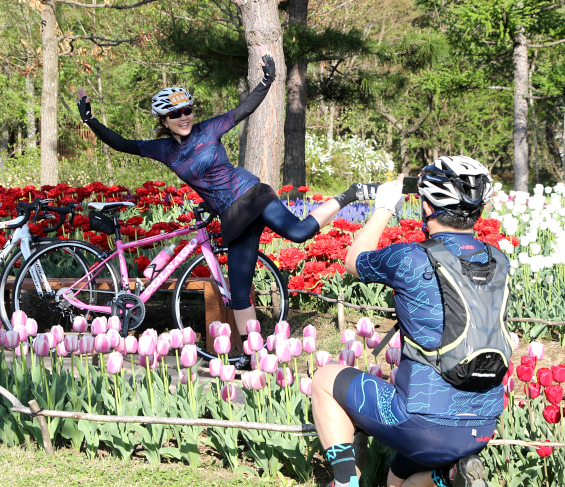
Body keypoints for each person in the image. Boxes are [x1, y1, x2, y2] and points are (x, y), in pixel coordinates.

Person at [76, 45, 377, 368]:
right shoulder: (162, 149)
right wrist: (90, 119)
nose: (184, 117)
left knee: (300, 232)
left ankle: (351, 193)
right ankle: (253, 355)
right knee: (239, 293)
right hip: (231, 217)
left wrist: (267, 79)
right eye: (175, 114)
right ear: (164, 120)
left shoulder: (210, 129)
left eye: (187, 110)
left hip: (252, 197)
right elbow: (122, 144)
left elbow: (244, 109)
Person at [311, 156, 509, 487]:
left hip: (421, 420)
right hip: (483, 424)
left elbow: (353, 261)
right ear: (478, 208)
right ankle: (445, 476)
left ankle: (346, 482)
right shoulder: (500, 261)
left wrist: (384, 209)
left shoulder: (410, 257)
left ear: (427, 206)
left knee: (324, 378)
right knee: (395, 480)